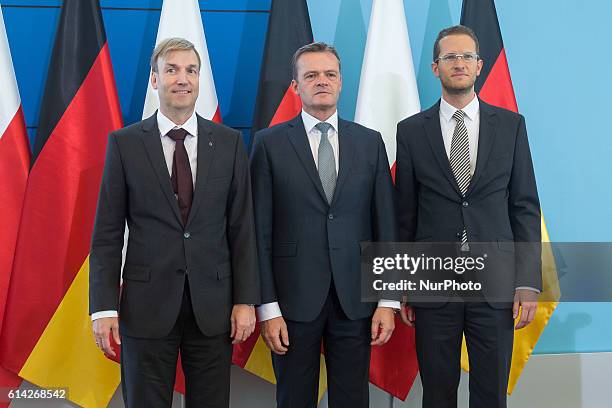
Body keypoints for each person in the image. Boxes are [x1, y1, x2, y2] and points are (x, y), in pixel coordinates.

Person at [89, 37, 260, 408]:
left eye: (191, 70)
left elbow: (242, 227)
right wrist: (103, 308)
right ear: (154, 79)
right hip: (146, 307)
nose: (182, 79)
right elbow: (106, 234)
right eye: (172, 70)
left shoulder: (229, 143)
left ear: (199, 80)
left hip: (213, 308)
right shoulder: (125, 144)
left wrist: (246, 300)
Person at [395, 25, 541, 408]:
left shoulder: (511, 126)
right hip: (433, 286)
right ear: (435, 68)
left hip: (495, 285)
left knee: (490, 393)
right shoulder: (410, 131)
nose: (458, 63)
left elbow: (524, 206)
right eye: (449, 57)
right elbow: (405, 214)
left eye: (466, 57)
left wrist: (527, 282)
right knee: (437, 393)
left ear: (479, 66)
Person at [250, 42, 398, 408]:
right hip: (291, 301)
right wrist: (268, 308)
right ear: (296, 86)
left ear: (341, 82)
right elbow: (257, 231)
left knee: (352, 399)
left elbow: (386, 226)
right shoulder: (268, 144)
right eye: (311, 75)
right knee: (294, 398)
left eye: (329, 74)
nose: (322, 81)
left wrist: (389, 300)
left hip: (356, 299)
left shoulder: (370, 143)